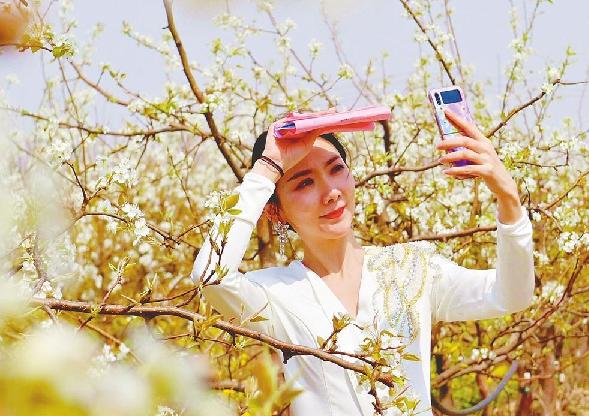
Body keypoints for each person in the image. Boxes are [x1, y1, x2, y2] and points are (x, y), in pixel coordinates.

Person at [191, 108, 535, 415]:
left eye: (336, 169)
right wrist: (267, 169)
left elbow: (511, 295)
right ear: (275, 211)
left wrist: (508, 198)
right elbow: (210, 276)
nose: (330, 191)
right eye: (304, 182)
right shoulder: (277, 294)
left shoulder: (412, 267)